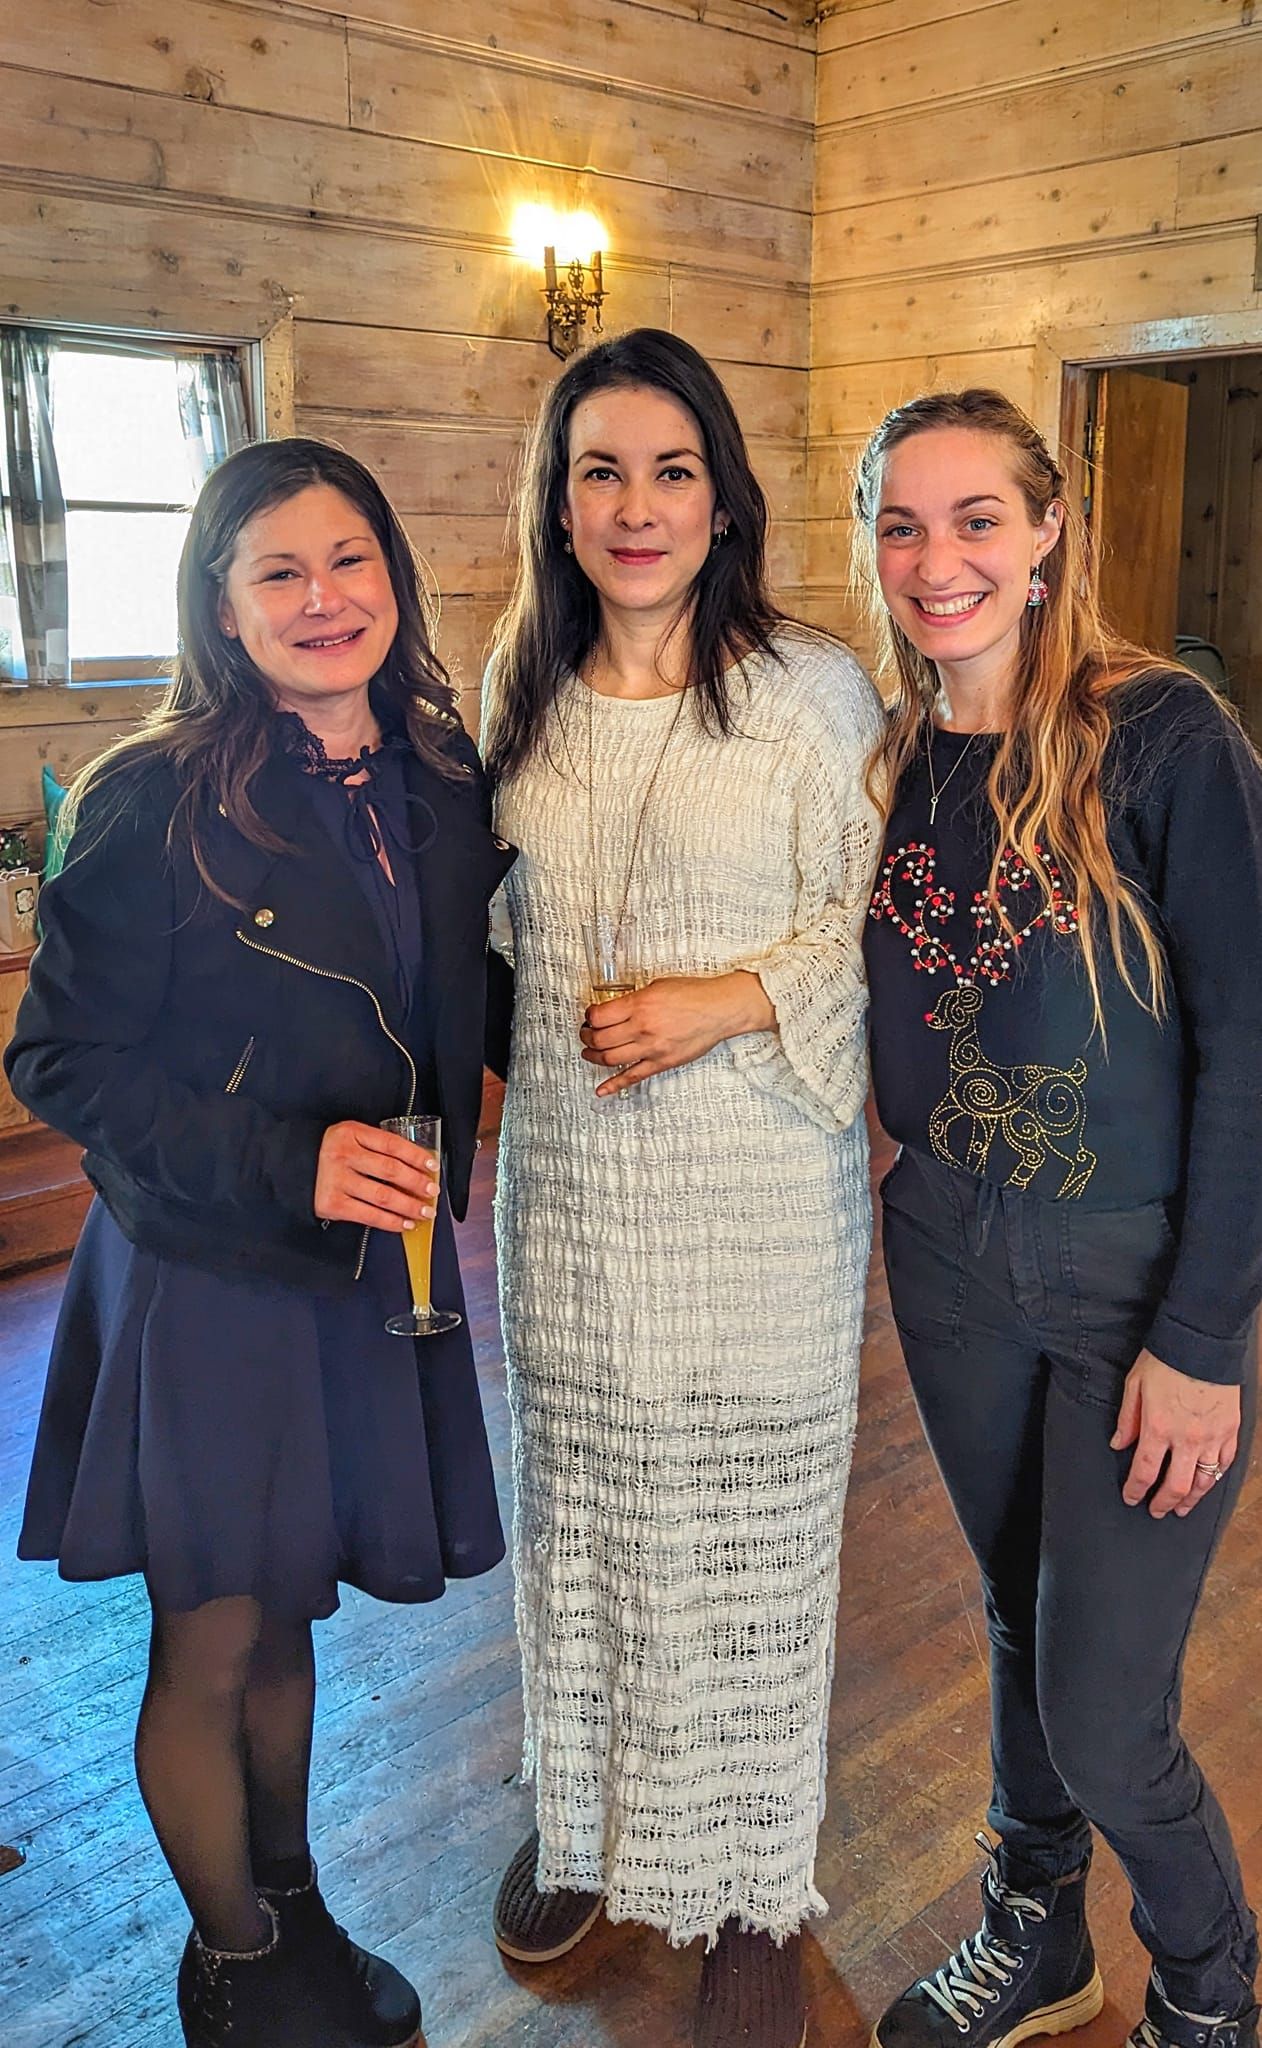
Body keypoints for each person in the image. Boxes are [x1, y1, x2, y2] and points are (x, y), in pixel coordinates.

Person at [5, 439, 515, 2048]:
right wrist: (290, 1161)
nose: (321, 596)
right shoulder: (148, 791)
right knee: (215, 1626)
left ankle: (288, 1909)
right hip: (209, 1272)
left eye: (349, 558)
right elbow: (63, 1062)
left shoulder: (443, 780)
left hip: (369, 1276)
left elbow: (467, 1000)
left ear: (393, 575)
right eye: (276, 570)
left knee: (289, 1608)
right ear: (219, 605)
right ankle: (231, 1963)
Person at [481, 327, 884, 2048]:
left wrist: (726, 1001)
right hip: (570, 1206)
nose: (634, 506)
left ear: (722, 498)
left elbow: (882, 929)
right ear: (557, 504)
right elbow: (477, 922)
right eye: (598, 471)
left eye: (669, 471)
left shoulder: (809, 688)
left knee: (745, 1561)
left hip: (757, 1209)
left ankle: (746, 1899)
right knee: (584, 1535)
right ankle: (586, 1829)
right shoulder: (518, 683)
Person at [856, 388, 1261, 2048]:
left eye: (972, 520)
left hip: (1127, 1282)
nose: (934, 558)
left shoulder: (1157, 734)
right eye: (899, 523)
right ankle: (1038, 1933)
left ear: (1043, 538)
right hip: (944, 1259)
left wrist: (1197, 1340)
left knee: (1105, 1714)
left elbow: (1249, 1043)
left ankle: (1208, 1985)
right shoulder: (879, 755)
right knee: (1021, 1616)